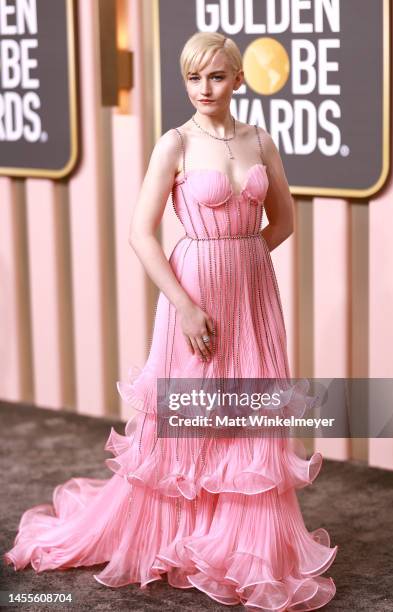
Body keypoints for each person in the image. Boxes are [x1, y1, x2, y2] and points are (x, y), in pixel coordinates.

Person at [4, 32, 338, 610]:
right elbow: (141, 232)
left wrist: (244, 262)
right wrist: (185, 303)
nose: (203, 89)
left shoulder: (261, 140)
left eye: (214, 76)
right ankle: (176, 539)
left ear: (238, 79)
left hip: (252, 295)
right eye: (192, 77)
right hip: (192, 292)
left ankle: (237, 545)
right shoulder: (175, 143)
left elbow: (281, 221)